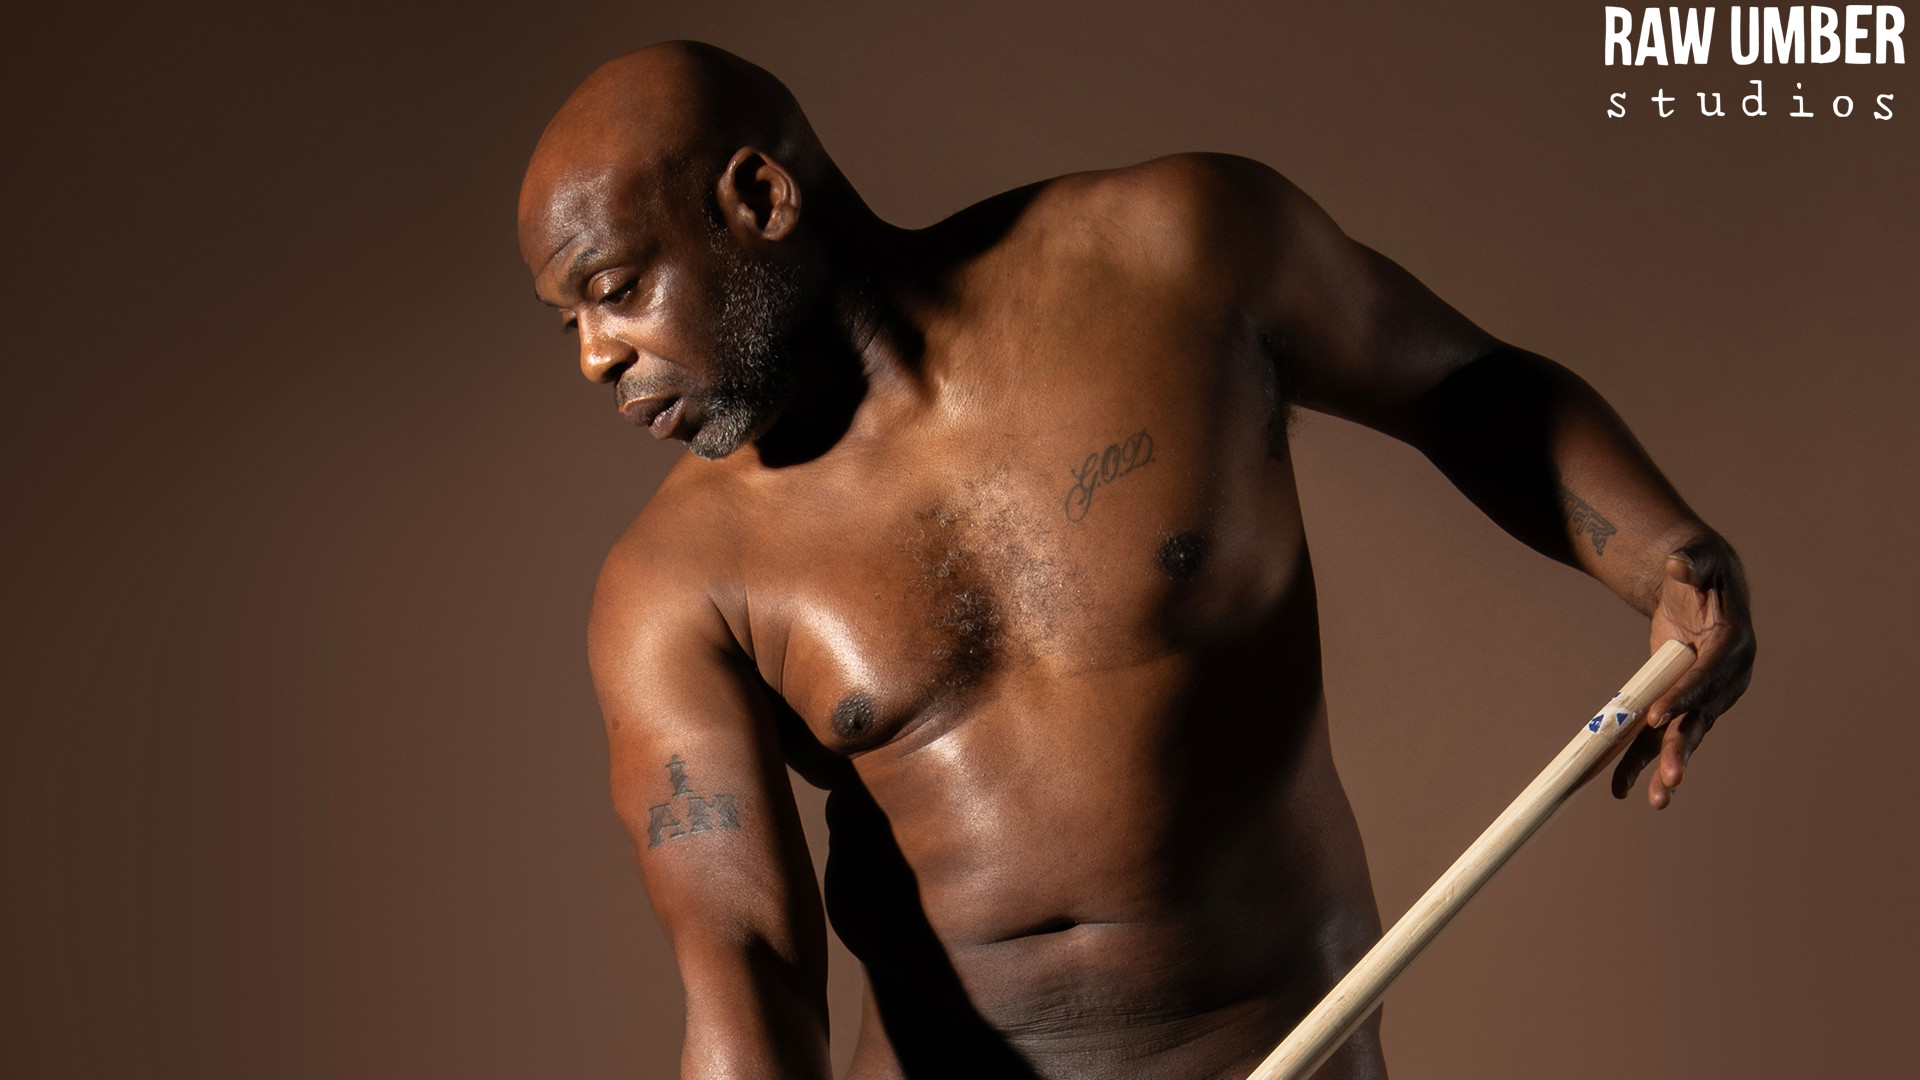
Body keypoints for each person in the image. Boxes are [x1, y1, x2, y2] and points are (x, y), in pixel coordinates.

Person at [517, 41, 1755, 1080]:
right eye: (570, 319)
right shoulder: (672, 583)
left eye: (615, 289)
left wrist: (1665, 555)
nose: (594, 355)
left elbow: (1465, 389)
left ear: (758, 198)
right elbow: (743, 956)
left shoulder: (1181, 258)